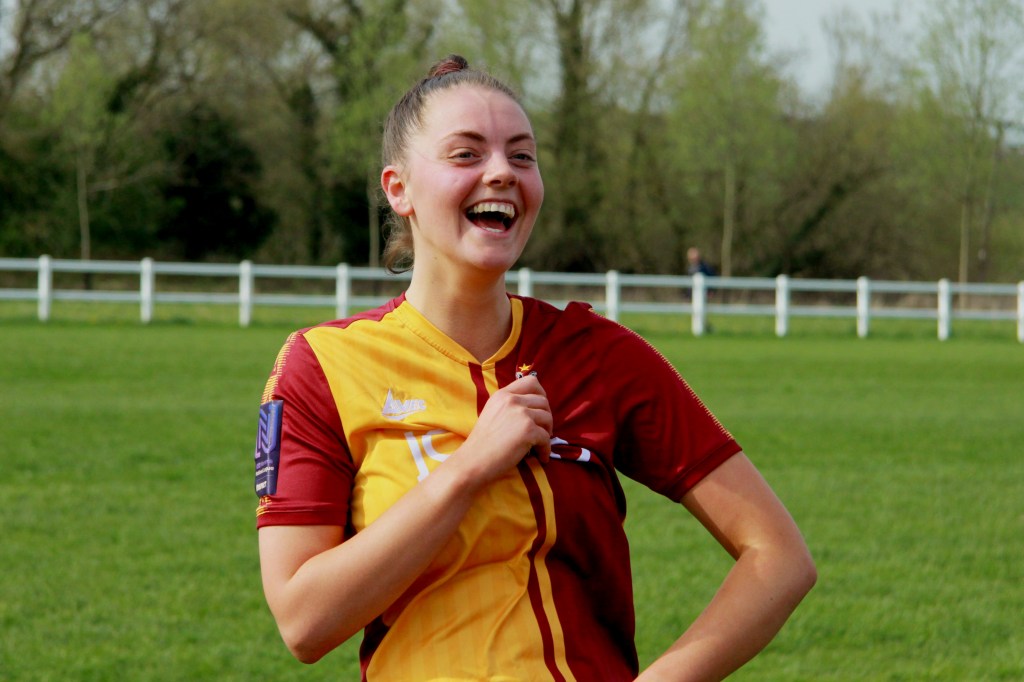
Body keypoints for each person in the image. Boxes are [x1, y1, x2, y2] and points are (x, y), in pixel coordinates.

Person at [254, 55, 816, 681]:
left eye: (522, 156)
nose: (501, 172)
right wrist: (468, 469)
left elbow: (779, 556)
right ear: (398, 188)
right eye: (466, 154)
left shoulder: (599, 353)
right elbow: (304, 623)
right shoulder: (321, 366)